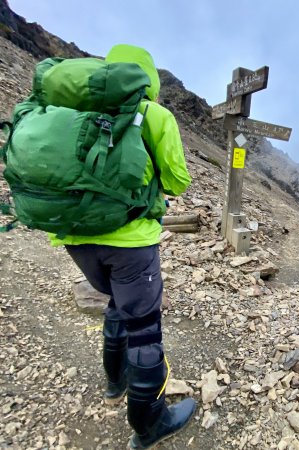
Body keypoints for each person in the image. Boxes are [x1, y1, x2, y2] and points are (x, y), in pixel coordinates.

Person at [49, 44, 196, 449]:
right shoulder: (154, 115)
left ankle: (115, 385)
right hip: (130, 244)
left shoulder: (73, 111)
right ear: (148, 79)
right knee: (145, 330)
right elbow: (179, 181)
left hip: (76, 239)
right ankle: (149, 426)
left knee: (115, 305)